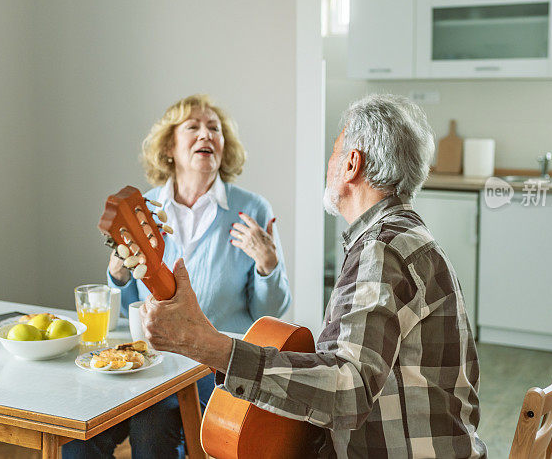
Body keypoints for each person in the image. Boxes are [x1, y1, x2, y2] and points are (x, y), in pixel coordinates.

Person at [141, 94, 487, 458]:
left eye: (335, 152)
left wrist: (213, 348)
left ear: (352, 164)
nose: (329, 163)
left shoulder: (381, 249)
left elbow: (347, 389)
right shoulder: (405, 238)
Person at [63, 94, 291, 458]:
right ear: (169, 145)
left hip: (213, 367)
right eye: (193, 127)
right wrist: (117, 274)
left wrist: (268, 266)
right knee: (78, 436)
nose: (206, 135)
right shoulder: (144, 208)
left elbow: (271, 312)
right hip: (147, 363)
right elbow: (125, 313)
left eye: (214, 128)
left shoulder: (252, 209)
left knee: (151, 425)